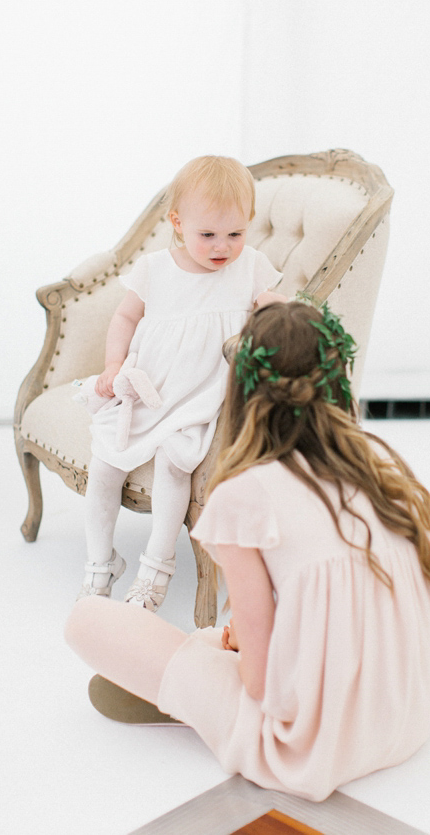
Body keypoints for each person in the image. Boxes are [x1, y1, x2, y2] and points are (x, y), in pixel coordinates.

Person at [66, 300, 430, 801]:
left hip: (314, 744)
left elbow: (259, 681)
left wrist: (235, 647)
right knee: (237, 635)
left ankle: (197, 678)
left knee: (87, 620)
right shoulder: (384, 466)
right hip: (413, 705)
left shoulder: (244, 496)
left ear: (242, 395)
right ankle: (197, 673)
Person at [77, 156, 285, 608]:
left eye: (235, 233)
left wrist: (278, 310)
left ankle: (156, 566)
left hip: (203, 395)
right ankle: (100, 563)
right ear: (177, 223)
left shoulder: (251, 267)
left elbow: (273, 308)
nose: (221, 246)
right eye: (207, 234)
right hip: (152, 384)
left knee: (176, 462)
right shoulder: (156, 268)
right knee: (105, 464)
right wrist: (113, 365)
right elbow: (126, 316)